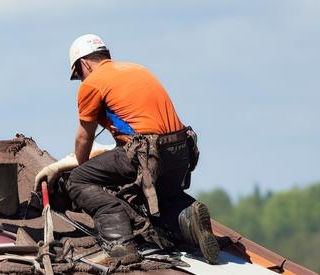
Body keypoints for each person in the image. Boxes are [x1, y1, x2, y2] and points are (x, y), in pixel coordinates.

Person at [35, 34, 222, 265]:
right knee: (158, 198)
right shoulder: (136, 69)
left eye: (78, 75)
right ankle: (188, 215)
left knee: (79, 180)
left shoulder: (93, 83)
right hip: (180, 149)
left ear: (83, 64)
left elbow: (84, 136)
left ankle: (119, 245)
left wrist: (78, 169)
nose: (81, 80)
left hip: (148, 152)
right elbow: (133, 131)